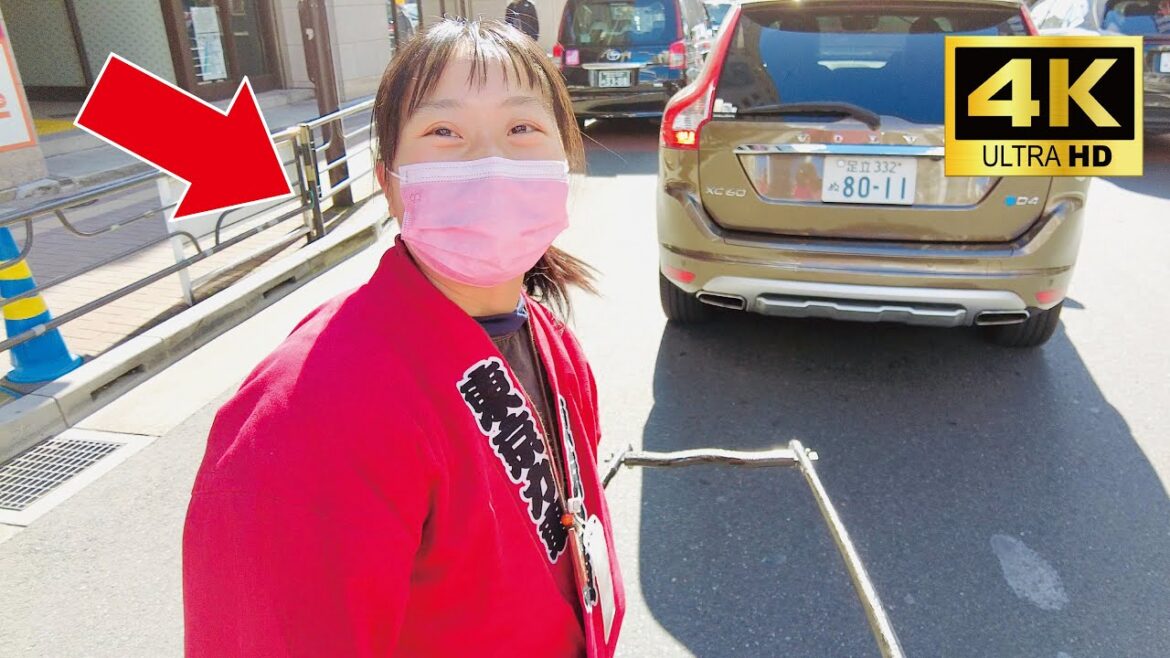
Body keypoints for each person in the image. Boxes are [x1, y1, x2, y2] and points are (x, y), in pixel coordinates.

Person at [182, 18, 625, 658]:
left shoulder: (555, 345)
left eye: (522, 129)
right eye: (444, 131)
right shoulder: (313, 404)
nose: (490, 163)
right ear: (388, 182)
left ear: (564, 161)